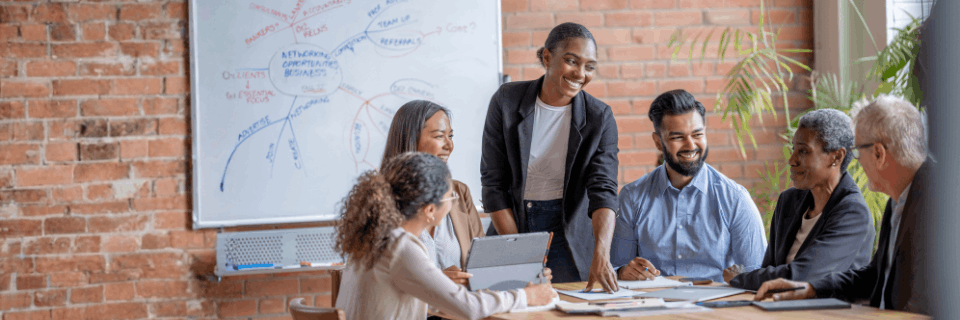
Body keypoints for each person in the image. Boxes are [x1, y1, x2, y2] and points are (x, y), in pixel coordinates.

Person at [754, 95, 932, 315]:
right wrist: (811, 288)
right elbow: (874, 277)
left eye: (857, 151)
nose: (854, 161)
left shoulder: (937, 205)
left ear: (878, 153)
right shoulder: (898, 201)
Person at [481, 22, 620, 292]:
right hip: (510, 224)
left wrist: (601, 255)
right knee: (503, 309)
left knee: (567, 308)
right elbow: (493, 184)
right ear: (547, 57)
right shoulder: (506, 101)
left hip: (566, 232)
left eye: (589, 66)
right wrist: (519, 253)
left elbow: (603, 190)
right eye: (572, 61)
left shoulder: (599, 117)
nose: (580, 73)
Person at [334, 152, 556, 320]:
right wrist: (526, 296)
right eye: (451, 198)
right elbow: (469, 307)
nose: (454, 203)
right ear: (430, 210)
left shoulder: (374, 237)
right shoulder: (400, 246)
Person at [611, 89, 766, 283]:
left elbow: (758, 276)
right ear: (658, 142)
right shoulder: (632, 197)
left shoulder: (735, 199)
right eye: (677, 137)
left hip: (715, 309)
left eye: (697, 134)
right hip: (655, 307)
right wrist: (624, 271)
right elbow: (617, 268)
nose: (690, 145)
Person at [725, 109, 875, 289]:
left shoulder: (853, 213)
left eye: (803, 151)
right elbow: (769, 268)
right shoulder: (788, 201)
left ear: (836, 157)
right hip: (777, 306)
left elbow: (803, 275)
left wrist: (741, 277)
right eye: (793, 149)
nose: (792, 160)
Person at [381, 100, 484, 286]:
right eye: (439, 136)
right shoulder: (380, 199)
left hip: (460, 310)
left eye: (450, 136)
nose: (449, 146)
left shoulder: (459, 192)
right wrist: (435, 281)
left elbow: (484, 264)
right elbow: (380, 278)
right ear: (411, 140)